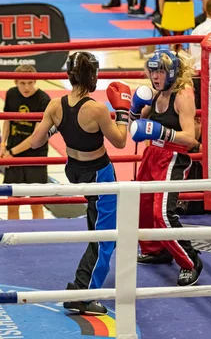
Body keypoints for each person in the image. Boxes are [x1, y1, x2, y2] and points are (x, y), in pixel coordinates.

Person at [30, 52, 130, 315]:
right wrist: (122, 113)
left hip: (73, 170)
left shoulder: (55, 105)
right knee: (105, 237)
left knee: (98, 226)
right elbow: (120, 141)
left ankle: (86, 283)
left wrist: (57, 126)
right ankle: (82, 294)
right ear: (92, 76)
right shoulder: (96, 109)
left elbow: (35, 142)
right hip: (98, 174)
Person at [129, 50, 203, 286]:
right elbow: (134, 130)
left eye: (160, 70)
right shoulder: (154, 95)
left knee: (162, 213)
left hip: (173, 157)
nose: (155, 76)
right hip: (153, 154)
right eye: (152, 71)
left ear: (171, 72)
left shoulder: (183, 95)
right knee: (141, 205)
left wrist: (162, 132)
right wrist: (131, 109)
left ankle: (190, 261)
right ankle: (157, 249)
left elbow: (191, 139)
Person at [0, 66, 51, 220]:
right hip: (13, 155)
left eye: (30, 83)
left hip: (35, 155)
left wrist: (12, 153)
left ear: (35, 81)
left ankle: (38, 241)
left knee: (36, 204)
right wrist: (3, 145)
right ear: (16, 82)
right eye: (22, 83)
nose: (27, 87)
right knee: (12, 203)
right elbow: (8, 121)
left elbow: (36, 136)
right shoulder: (11, 94)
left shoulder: (43, 100)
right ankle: (13, 241)